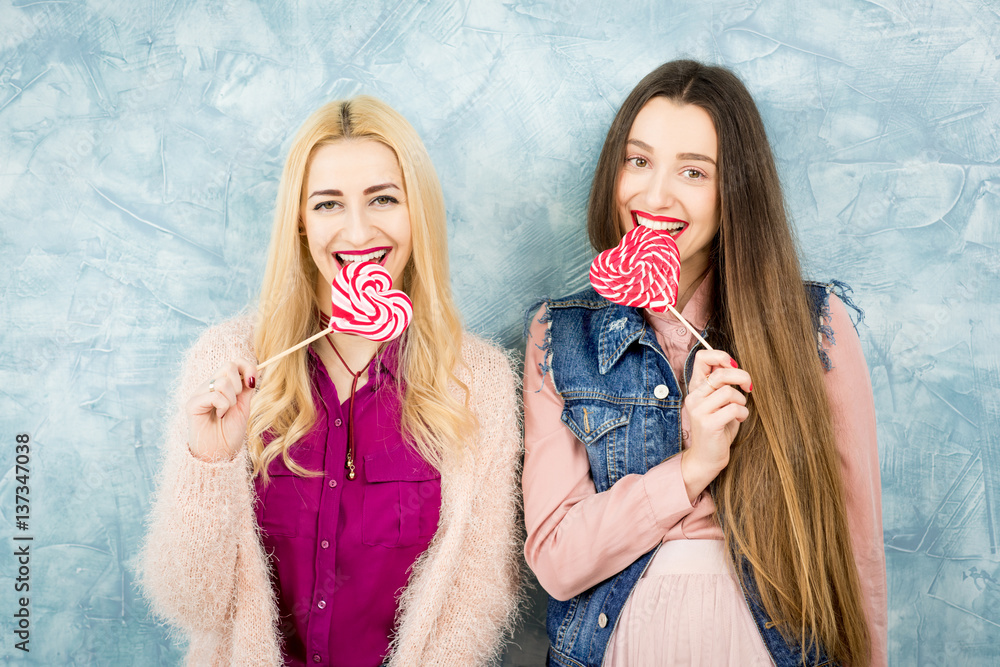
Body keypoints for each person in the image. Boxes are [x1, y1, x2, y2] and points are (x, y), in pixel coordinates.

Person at [522, 60, 887, 666]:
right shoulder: (559, 335)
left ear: (732, 191)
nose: (654, 194)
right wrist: (692, 469)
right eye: (638, 161)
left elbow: (857, 556)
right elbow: (558, 561)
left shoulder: (812, 327)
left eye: (693, 171)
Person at [138, 96, 522, 666]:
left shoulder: (478, 380)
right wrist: (210, 462)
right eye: (328, 204)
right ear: (301, 219)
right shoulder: (230, 361)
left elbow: (476, 600)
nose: (358, 229)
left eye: (384, 199)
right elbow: (191, 606)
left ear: (417, 211)